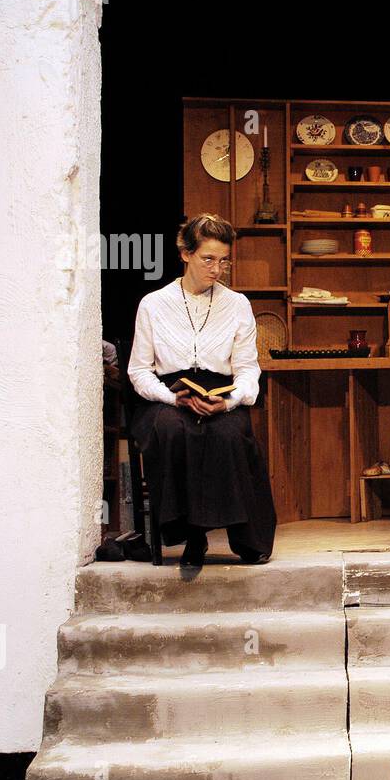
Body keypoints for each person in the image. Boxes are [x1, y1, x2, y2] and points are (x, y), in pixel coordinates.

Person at [126, 214, 277, 569]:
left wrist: (229, 400)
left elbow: (246, 368)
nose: (217, 269)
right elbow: (138, 370)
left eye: (224, 260)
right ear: (185, 254)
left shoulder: (237, 304)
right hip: (169, 394)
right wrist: (170, 397)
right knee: (173, 429)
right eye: (208, 259)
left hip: (218, 392)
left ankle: (247, 539)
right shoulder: (153, 304)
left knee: (230, 433)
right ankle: (192, 536)